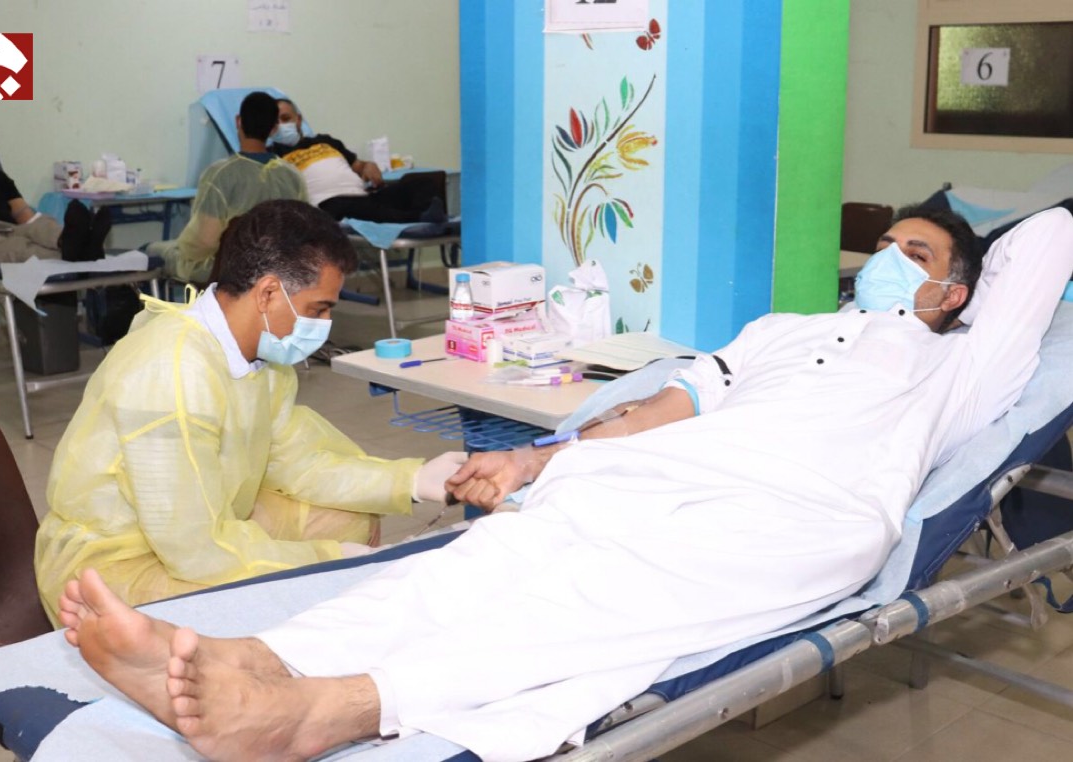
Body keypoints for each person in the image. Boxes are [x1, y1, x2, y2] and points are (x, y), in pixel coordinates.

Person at [58, 206, 1073, 762]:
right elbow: (668, 405)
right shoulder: (787, 330)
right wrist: (546, 459)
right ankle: (253, 656)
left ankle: (334, 709)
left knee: (595, 599)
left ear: (956, 290)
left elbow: (1047, 246)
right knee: (494, 554)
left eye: (915, 253)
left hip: (805, 511)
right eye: (885, 245)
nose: (888, 260)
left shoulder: (962, 363)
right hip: (676, 468)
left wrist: (972, 272)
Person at [35, 199, 466, 624]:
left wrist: (411, 480)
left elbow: (299, 464)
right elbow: (194, 548)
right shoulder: (172, 370)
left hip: (202, 521)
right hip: (115, 562)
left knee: (346, 519)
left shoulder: (261, 358)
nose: (323, 324)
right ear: (268, 293)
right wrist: (323, 558)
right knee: (266, 597)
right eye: (318, 309)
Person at [156, 92, 307, 284]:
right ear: (274, 128)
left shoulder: (220, 175)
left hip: (227, 270)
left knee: (153, 250)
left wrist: (183, 250)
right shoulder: (293, 176)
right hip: (276, 270)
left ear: (238, 121)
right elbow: (301, 233)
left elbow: (203, 242)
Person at [0, 105, 110, 264]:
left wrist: (42, 227)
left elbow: (25, 216)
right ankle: (85, 252)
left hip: (8, 229)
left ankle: (71, 239)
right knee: (18, 248)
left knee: (40, 226)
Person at [271, 98, 447, 224]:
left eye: (286, 119)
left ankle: (426, 214)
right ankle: (421, 218)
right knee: (354, 209)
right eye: (276, 123)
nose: (282, 125)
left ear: (298, 120)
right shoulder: (273, 156)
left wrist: (368, 166)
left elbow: (359, 166)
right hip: (326, 206)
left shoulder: (325, 141)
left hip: (363, 196)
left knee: (422, 182)